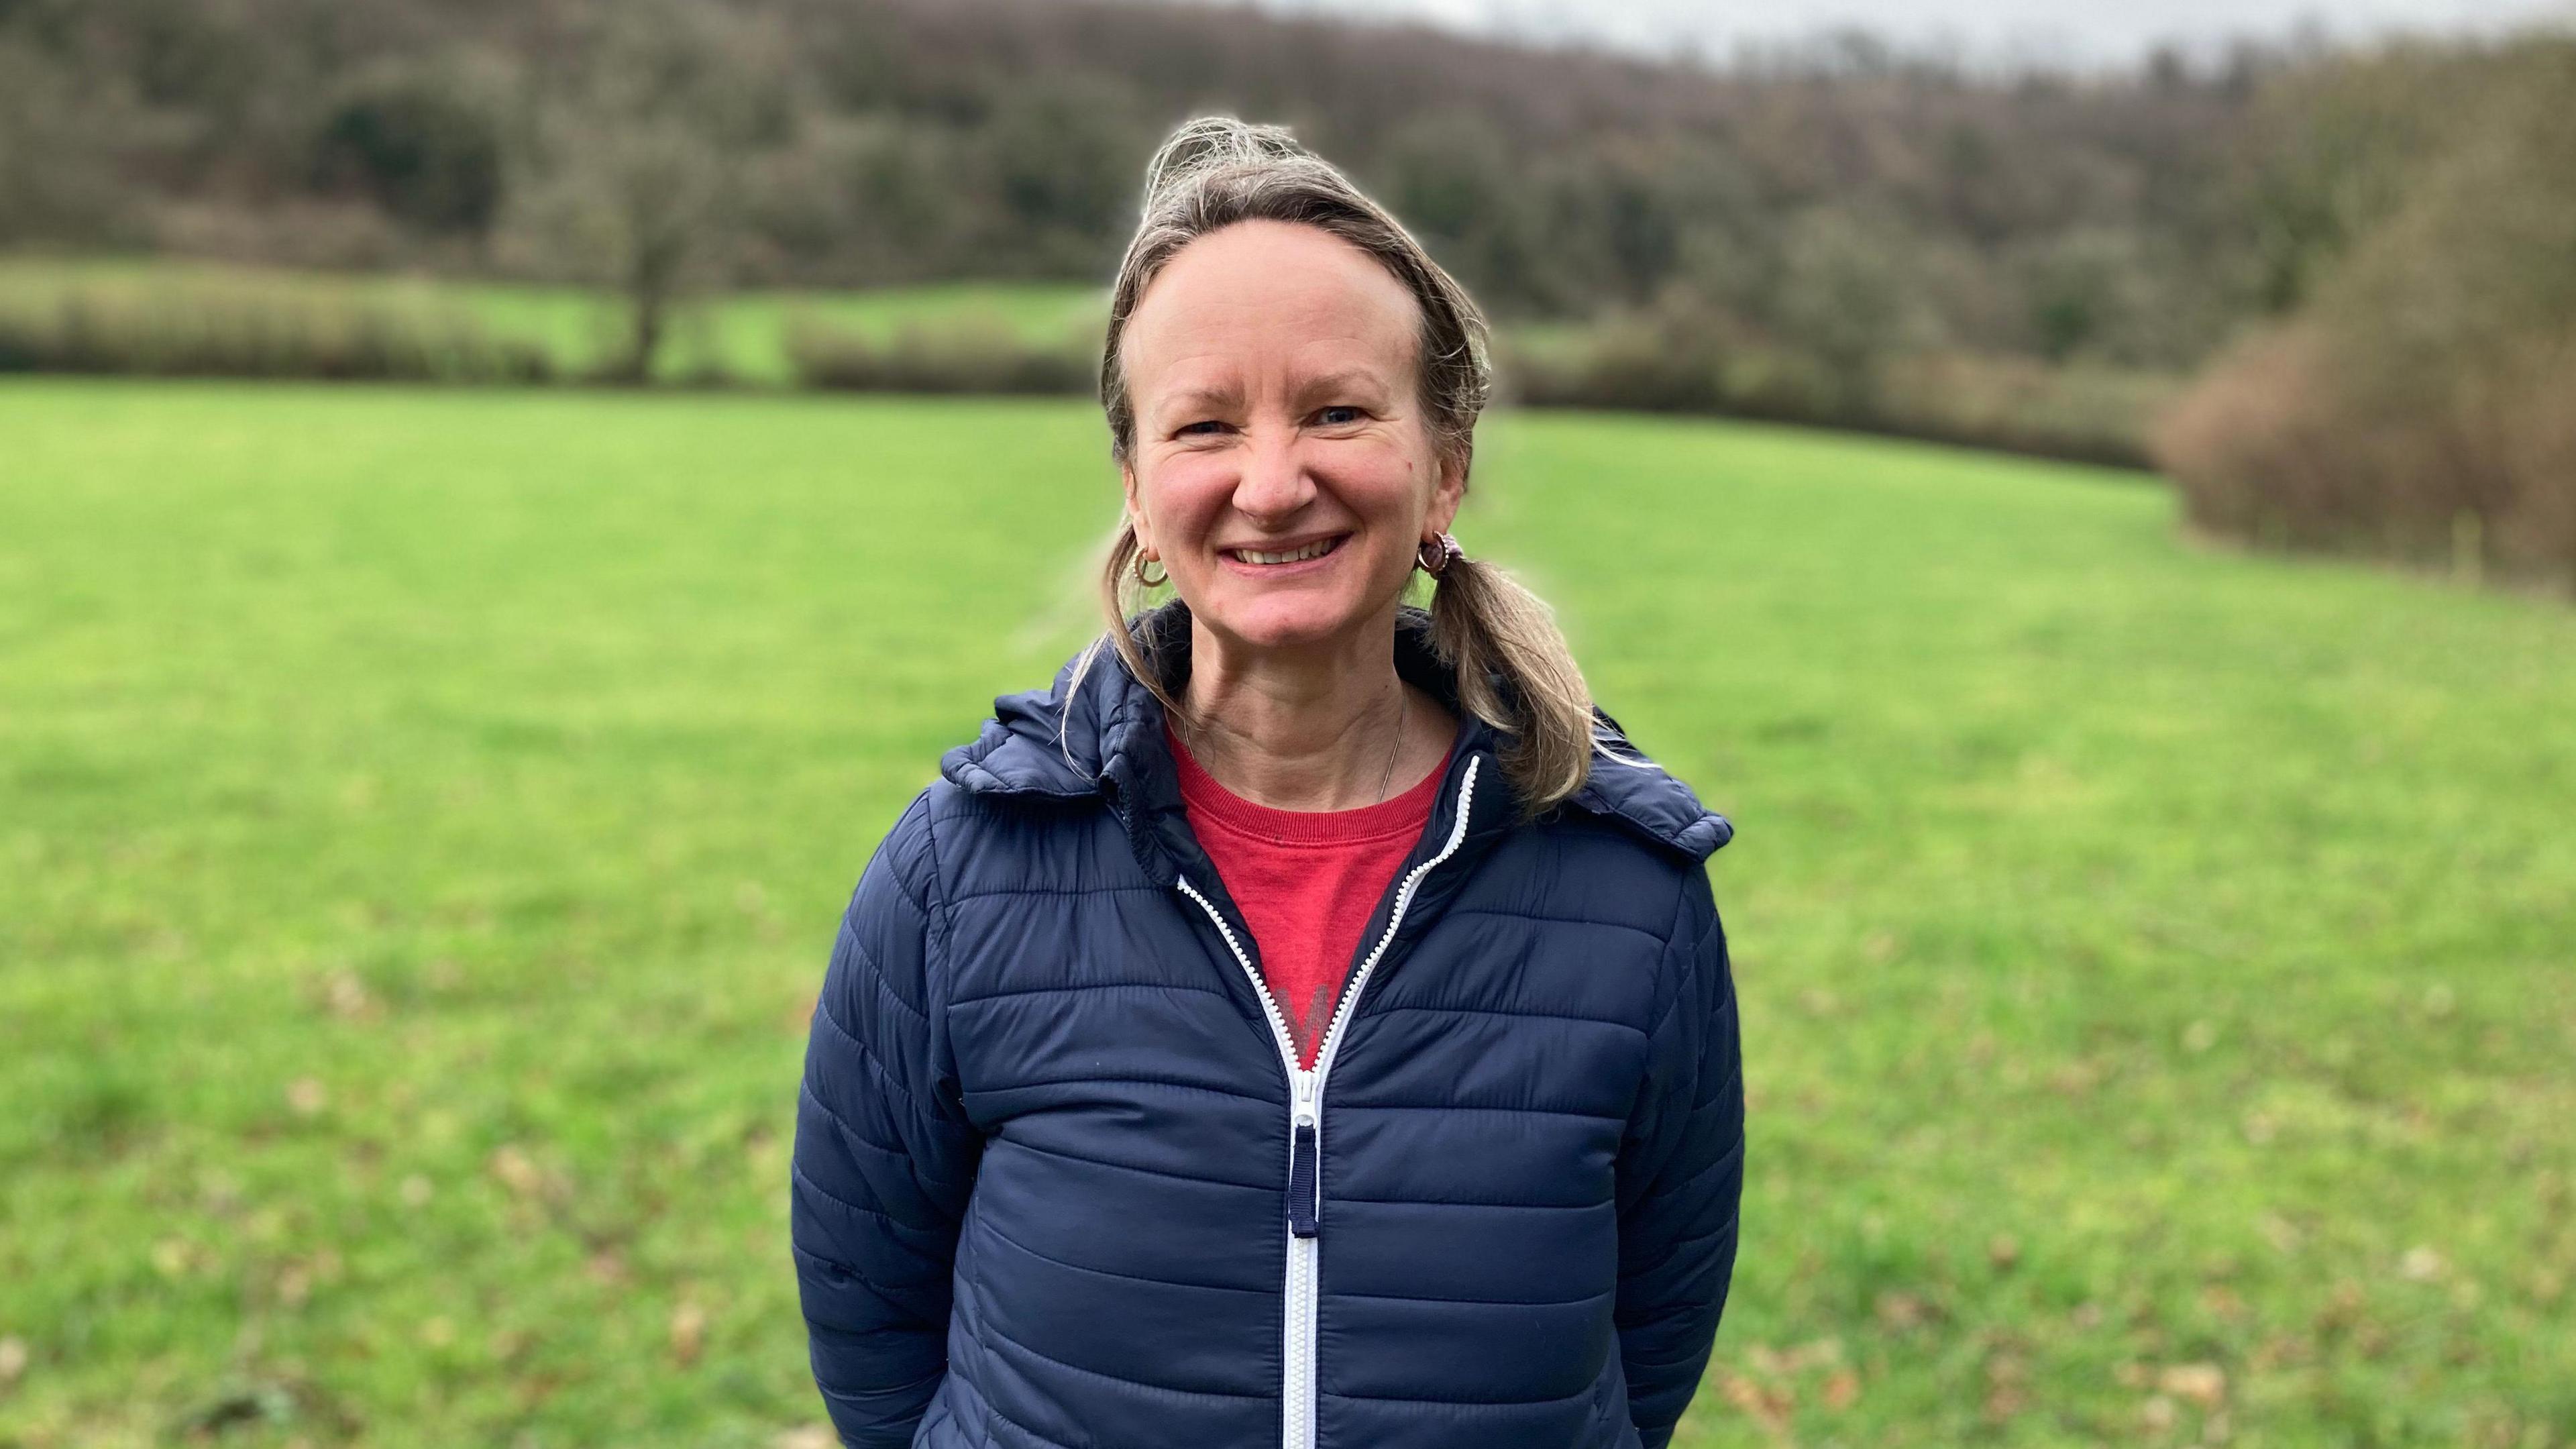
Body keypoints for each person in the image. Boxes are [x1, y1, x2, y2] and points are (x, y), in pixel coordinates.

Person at [790, 115, 1742, 1449]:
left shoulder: (1627, 892)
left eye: (1340, 411)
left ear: (1443, 471)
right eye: (1205, 424)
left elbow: (1648, 1341)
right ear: (1139, 486)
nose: (1274, 481)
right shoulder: (961, 872)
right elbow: (872, 1328)